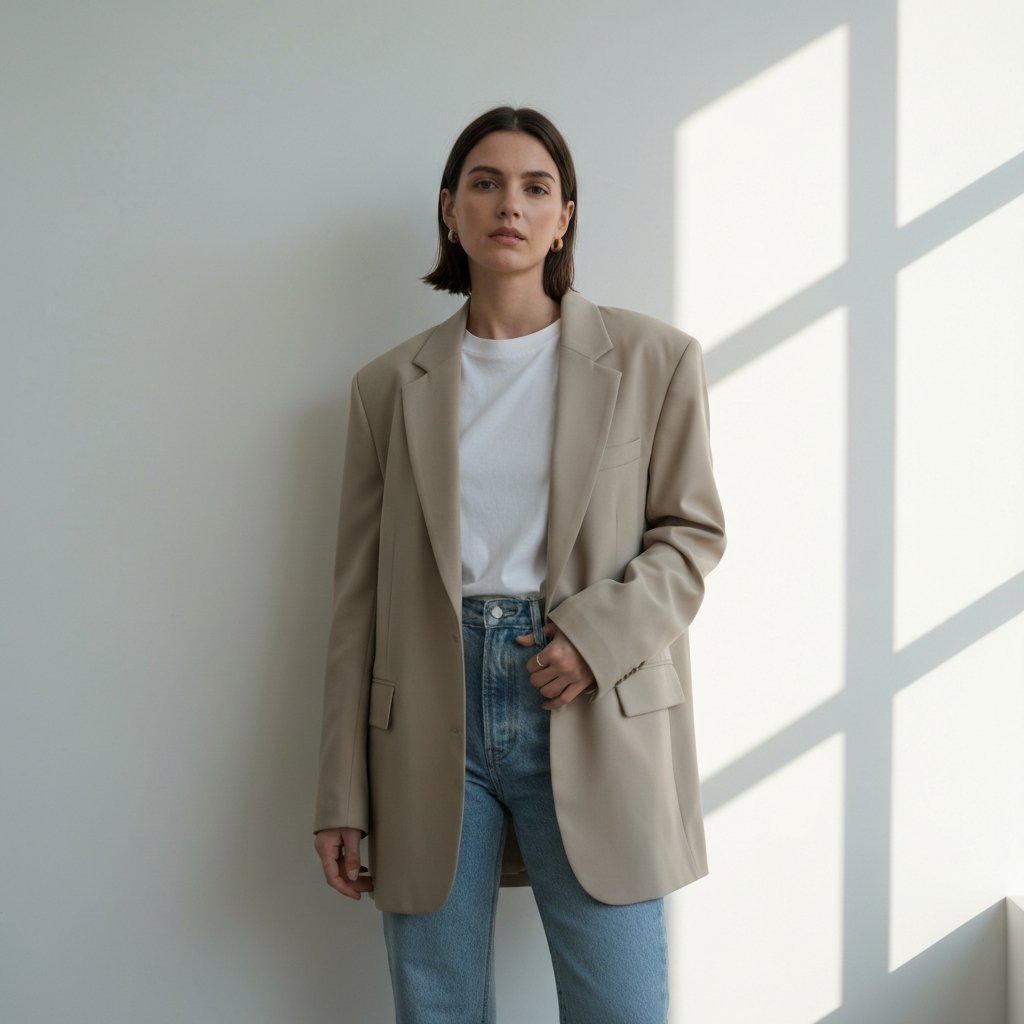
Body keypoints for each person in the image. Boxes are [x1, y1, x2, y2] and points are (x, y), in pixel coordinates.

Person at [312, 105, 726, 1024]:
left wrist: (594, 640)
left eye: (536, 187)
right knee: (439, 1009)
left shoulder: (654, 360)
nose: (511, 204)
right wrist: (341, 790)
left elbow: (691, 535)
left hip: (588, 700)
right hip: (428, 714)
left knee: (621, 1007)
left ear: (564, 218)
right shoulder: (388, 388)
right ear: (450, 209)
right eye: (486, 183)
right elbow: (357, 602)